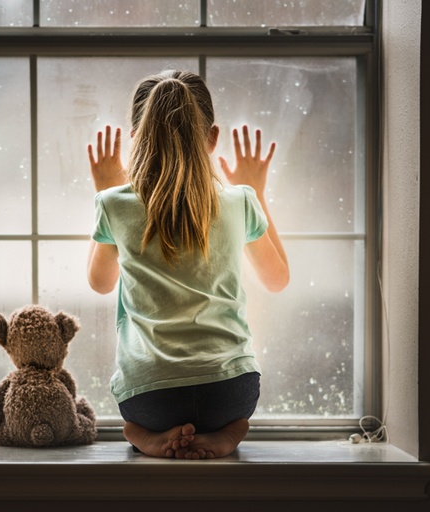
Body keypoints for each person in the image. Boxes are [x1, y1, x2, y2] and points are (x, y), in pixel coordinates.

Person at [86, 70, 289, 459]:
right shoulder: (240, 200)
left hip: (150, 398)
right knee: (235, 414)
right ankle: (230, 431)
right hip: (231, 392)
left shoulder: (113, 204)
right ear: (212, 138)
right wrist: (257, 194)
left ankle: (143, 435)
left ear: (135, 139)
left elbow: (100, 283)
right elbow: (277, 279)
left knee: (131, 420)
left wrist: (106, 190)